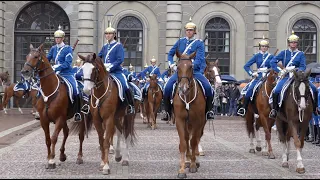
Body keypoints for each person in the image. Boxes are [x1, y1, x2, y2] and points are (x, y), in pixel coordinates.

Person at [163, 17, 215, 120]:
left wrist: (190, 66)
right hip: (180, 72)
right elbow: (170, 54)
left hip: (194, 72)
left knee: (209, 88)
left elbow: (200, 58)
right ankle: (167, 112)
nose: (189, 32)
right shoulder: (180, 42)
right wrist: (172, 64)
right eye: (187, 30)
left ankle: (208, 111)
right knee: (167, 88)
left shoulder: (199, 43)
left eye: (191, 30)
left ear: (194, 32)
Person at [269, 31, 318, 119]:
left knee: (314, 89)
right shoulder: (283, 53)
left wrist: (297, 71)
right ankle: (275, 110)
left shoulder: (300, 54)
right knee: (276, 90)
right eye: (291, 42)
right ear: (289, 43)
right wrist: (281, 70)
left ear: (297, 43)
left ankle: (315, 109)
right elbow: (272, 62)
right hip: (286, 76)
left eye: (295, 42)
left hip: (298, 77)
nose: (293, 44)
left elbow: (303, 66)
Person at [98, 22, 135, 114]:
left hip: (116, 72)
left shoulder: (118, 46)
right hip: (105, 73)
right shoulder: (105, 47)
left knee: (125, 85)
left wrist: (110, 67)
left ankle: (130, 105)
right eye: (106, 34)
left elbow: (120, 60)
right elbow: (98, 57)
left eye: (110, 33)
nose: (108, 35)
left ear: (114, 35)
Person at [46, 25, 82, 122]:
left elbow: (67, 63)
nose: (57, 39)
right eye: (56, 38)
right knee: (41, 87)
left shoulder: (68, 49)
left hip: (66, 73)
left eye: (59, 38)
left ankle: (78, 112)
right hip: (55, 74)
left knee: (75, 89)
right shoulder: (53, 48)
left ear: (62, 38)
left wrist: (57, 67)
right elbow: (47, 59)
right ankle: (42, 109)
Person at [237, 35, 274, 117]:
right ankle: (244, 108)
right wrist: (252, 73)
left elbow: (274, 66)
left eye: (265, 46)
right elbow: (246, 66)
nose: (264, 48)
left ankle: (275, 109)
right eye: (262, 46)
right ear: (260, 47)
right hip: (259, 76)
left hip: (268, 76)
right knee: (249, 90)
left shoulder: (271, 56)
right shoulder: (256, 56)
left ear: (267, 47)